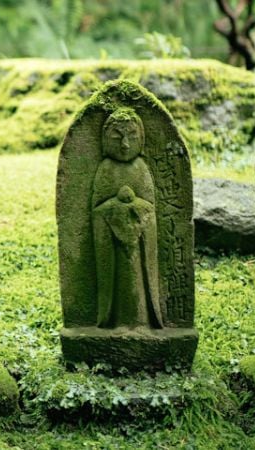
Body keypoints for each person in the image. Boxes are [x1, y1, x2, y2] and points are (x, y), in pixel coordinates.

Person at [87, 109, 170, 330]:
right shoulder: (105, 170)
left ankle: (141, 322)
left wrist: (134, 207)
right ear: (106, 140)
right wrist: (116, 208)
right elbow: (96, 210)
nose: (125, 144)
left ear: (141, 139)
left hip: (138, 242)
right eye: (117, 137)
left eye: (132, 137)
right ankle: (119, 322)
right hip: (113, 245)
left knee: (137, 280)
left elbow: (150, 208)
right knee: (119, 281)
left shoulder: (140, 168)